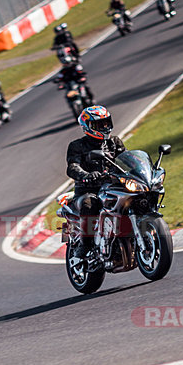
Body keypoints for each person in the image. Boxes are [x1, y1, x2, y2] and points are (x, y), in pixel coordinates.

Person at [65, 106, 126, 265]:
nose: (105, 127)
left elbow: (126, 161)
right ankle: (85, 245)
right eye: (100, 125)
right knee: (89, 204)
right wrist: (86, 175)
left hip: (112, 186)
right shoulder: (77, 146)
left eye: (106, 123)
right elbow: (72, 167)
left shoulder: (115, 142)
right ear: (87, 126)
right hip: (88, 190)